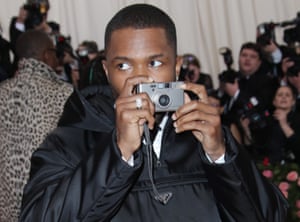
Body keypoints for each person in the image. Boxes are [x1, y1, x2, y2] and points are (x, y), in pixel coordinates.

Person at [20, 4, 287, 221]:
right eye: (123, 66)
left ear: (178, 65)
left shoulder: (205, 134)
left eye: (155, 62)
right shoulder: (72, 138)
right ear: (106, 70)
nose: (141, 78)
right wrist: (118, 152)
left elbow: (270, 216)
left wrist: (220, 156)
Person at [0, 30, 73, 222]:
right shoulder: (64, 95)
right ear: (46, 55)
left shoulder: (1, 92)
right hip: (46, 208)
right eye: (55, 52)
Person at [265, 85, 300, 164]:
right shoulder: (267, 120)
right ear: (274, 101)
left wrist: (284, 124)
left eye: (287, 95)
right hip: (269, 166)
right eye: (280, 95)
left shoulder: (298, 120)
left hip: (293, 167)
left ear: (293, 101)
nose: (283, 97)